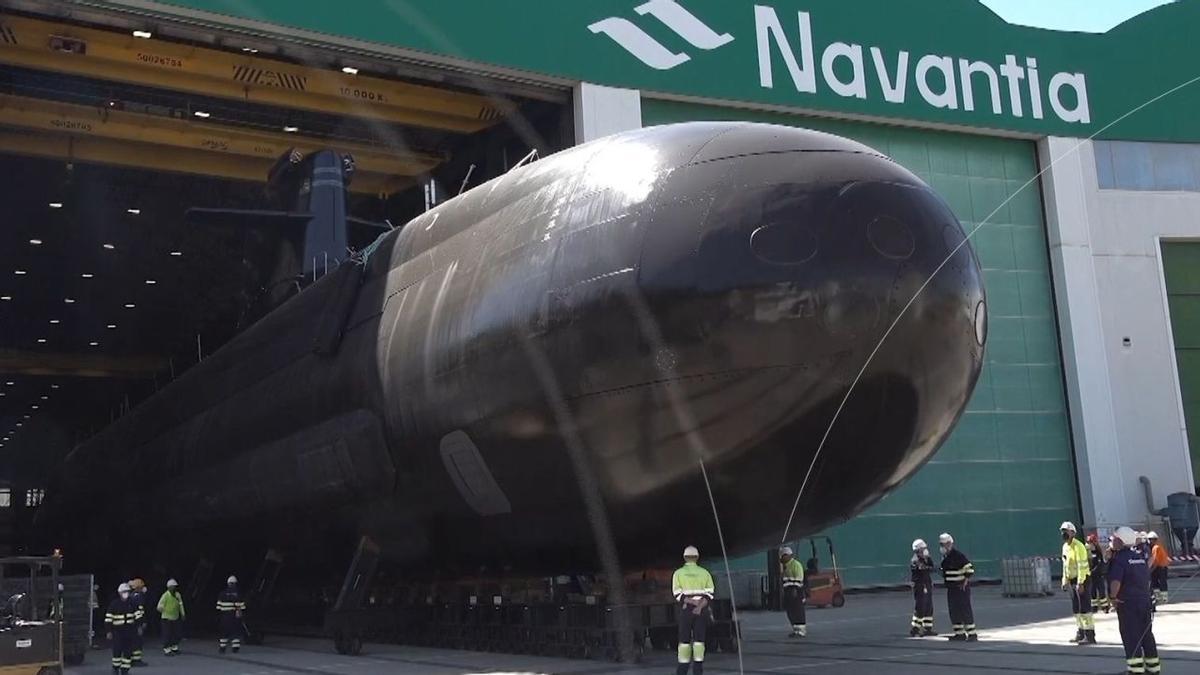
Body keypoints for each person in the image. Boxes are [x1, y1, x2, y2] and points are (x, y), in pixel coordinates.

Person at [1108, 526, 1161, 675]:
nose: (1111, 541)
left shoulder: (1119, 559)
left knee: (1131, 637)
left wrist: (1113, 597)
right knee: (1147, 635)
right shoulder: (1139, 557)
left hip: (1128, 604)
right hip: (1144, 602)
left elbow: (1115, 583)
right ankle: (1153, 668)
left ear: (1121, 540)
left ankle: (1136, 670)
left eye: (1114, 538)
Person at [671, 546, 714, 675]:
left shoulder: (678, 573)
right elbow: (710, 594)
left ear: (684, 557)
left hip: (686, 610)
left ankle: (682, 670)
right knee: (699, 641)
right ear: (697, 557)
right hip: (701, 611)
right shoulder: (705, 573)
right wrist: (699, 606)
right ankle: (698, 669)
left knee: (684, 641)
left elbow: (677, 594)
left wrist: (691, 602)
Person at [1060, 522, 1095, 644]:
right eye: (1062, 531)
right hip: (1072, 580)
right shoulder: (1065, 547)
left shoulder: (1079, 546)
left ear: (1073, 533)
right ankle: (1080, 632)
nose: (1064, 533)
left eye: (1066, 531)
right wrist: (1065, 580)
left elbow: (1082, 566)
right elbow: (1065, 565)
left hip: (1083, 580)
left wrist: (1080, 583)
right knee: (1076, 609)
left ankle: (1089, 635)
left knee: (1085, 608)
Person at [938, 532, 977, 642]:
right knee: (954, 611)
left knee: (965, 610)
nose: (942, 547)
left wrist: (965, 580)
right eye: (941, 545)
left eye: (944, 544)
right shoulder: (945, 558)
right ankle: (959, 634)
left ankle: (972, 634)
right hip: (951, 589)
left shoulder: (958, 556)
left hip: (961, 588)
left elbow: (970, 568)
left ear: (950, 544)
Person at [104, 583, 137, 675]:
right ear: (120, 593)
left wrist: (140, 626)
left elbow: (137, 616)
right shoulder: (114, 604)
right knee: (117, 651)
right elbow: (108, 619)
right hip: (117, 632)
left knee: (128, 652)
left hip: (129, 632)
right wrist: (108, 631)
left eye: (127, 592)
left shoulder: (132, 603)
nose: (126, 593)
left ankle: (125, 671)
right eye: (124, 592)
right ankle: (115, 669)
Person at [778, 546, 806, 638]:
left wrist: (794, 590)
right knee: (790, 612)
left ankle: (801, 630)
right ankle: (795, 629)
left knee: (798, 611)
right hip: (788, 592)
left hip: (796, 591)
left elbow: (799, 579)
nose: (781, 558)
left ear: (788, 555)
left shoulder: (795, 564)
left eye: (782, 556)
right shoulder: (786, 566)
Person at [910, 538, 936, 637]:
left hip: (927, 584)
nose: (925, 549)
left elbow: (931, 567)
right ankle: (915, 629)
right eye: (923, 548)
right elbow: (922, 568)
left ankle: (927, 629)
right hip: (919, 585)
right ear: (918, 550)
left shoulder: (926, 558)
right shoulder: (915, 560)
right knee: (920, 607)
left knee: (929, 607)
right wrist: (928, 567)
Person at [216, 575, 246, 654]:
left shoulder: (222, 593)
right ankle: (235, 648)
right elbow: (242, 607)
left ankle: (222, 648)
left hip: (225, 616)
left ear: (228, 583)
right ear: (235, 583)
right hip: (235, 616)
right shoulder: (239, 594)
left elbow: (218, 607)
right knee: (235, 632)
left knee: (224, 632)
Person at [157, 578, 186, 656]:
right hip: (166, 618)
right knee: (167, 634)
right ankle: (167, 649)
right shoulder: (165, 595)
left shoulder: (178, 595)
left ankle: (174, 647)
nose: (174, 588)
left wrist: (183, 614)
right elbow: (159, 606)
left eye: (175, 586)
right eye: (172, 586)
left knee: (176, 633)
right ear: (169, 587)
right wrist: (163, 610)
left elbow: (181, 604)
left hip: (175, 617)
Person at [1086, 533, 1111, 613]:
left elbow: (1099, 564)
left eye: (1090, 542)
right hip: (1091, 576)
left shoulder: (1098, 552)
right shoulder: (1088, 552)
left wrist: (1093, 571)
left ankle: (1105, 607)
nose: (1089, 544)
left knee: (1101, 591)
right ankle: (1094, 607)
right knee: (1092, 592)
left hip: (1098, 575)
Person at [127, 578, 147, 666]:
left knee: (133, 641)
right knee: (137, 642)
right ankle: (136, 660)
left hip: (131, 622)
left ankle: (132, 659)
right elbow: (140, 611)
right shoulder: (138, 597)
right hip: (136, 623)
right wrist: (141, 623)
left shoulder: (131, 596)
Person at [1147, 532, 1169, 606]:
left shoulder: (1155, 548)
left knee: (1160, 582)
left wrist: (1150, 570)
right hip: (1162, 567)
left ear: (1154, 540)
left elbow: (1155, 561)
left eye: (1151, 540)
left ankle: (1162, 598)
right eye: (1149, 540)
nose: (1149, 541)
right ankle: (1159, 597)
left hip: (1160, 567)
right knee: (1156, 582)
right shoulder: (1158, 546)